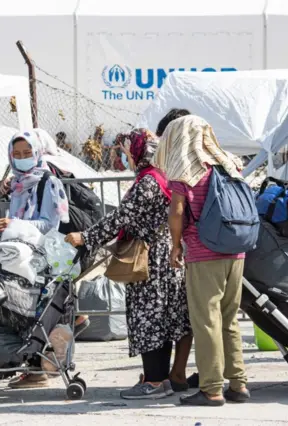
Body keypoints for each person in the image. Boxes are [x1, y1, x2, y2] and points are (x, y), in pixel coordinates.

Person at [65, 129, 193, 400]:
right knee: (162, 319)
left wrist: (87, 237)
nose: (127, 157)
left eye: (128, 152)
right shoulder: (165, 177)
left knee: (150, 320)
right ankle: (160, 378)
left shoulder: (149, 181)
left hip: (151, 260)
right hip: (165, 257)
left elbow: (121, 217)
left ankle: (155, 382)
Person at [159, 115, 249, 406]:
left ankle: (211, 387)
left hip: (203, 252)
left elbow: (177, 210)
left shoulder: (185, 169)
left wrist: (175, 245)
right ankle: (238, 383)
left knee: (206, 320)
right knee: (229, 319)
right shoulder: (228, 164)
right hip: (236, 250)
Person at [0, 130, 70, 389]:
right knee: (21, 311)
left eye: (28, 153)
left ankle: (38, 370)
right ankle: (31, 368)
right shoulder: (17, 184)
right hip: (20, 258)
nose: (23, 158)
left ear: (37, 153)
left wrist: (14, 224)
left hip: (40, 259)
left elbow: (51, 224)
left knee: (35, 312)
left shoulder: (47, 182)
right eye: (18, 154)